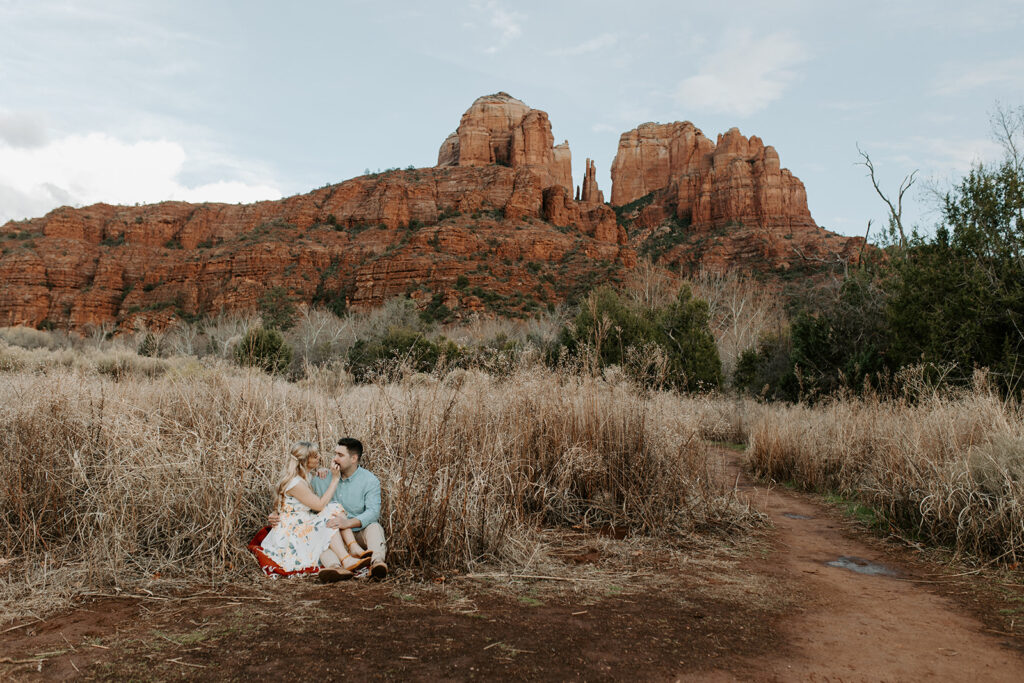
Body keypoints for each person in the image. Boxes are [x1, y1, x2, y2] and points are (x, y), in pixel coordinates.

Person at [259, 441, 373, 582]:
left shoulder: (304, 476)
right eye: (314, 456)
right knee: (329, 515)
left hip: (301, 521)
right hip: (293, 530)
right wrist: (335, 479)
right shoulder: (296, 483)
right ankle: (347, 557)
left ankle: (352, 550)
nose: (319, 457)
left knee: (333, 509)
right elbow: (319, 505)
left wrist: (322, 471)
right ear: (305, 460)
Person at [316, 437, 388, 579]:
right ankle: (335, 568)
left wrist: (348, 523)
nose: (335, 458)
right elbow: (304, 500)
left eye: (340, 455)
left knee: (375, 527)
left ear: (354, 458)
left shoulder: (369, 480)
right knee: (319, 535)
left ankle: (377, 563)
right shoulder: (323, 477)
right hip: (335, 536)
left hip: (358, 532)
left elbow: (373, 512)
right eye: (335, 454)